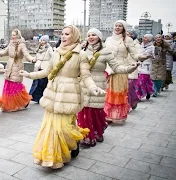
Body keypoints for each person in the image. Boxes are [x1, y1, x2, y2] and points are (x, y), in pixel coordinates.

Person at [19, 25, 105, 169]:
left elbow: (86, 76)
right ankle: (52, 156)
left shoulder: (81, 55)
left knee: (64, 128)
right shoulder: (56, 52)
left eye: (67, 34)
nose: (63, 37)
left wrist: (93, 88)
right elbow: (47, 71)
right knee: (51, 128)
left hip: (69, 94)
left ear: (75, 37)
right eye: (62, 34)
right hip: (53, 92)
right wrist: (29, 75)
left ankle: (74, 141)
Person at [78, 28, 138, 146]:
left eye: (93, 35)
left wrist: (129, 69)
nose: (90, 37)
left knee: (96, 111)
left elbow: (116, 67)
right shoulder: (83, 51)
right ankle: (86, 136)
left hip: (99, 83)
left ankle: (97, 131)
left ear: (99, 37)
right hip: (83, 84)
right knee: (83, 111)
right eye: (89, 35)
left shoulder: (106, 52)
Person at [104, 20, 148, 123]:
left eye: (120, 26)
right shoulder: (108, 39)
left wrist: (142, 57)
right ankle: (107, 115)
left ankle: (115, 115)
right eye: (116, 25)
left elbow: (134, 54)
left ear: (124, 28)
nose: (117, 27)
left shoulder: (128, 40)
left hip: (120, 70)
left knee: (117, 93)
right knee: (107, 93)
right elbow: (103, 52)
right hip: (108, 69)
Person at [0, 29, 34, 112]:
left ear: (18, 35)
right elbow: (4, 52)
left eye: (14, 35)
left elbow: (26, 54)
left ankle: (24, 99)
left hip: (17, 65)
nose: (12, 37)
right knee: (9, 86)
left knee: (16, 85)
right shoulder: (11, 43)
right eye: (12, 35)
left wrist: (32, 59)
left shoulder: (22, 45)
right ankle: (10, 104)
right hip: (9, 65)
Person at [29, 35, 53, 103]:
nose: (42, 42)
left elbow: (53, 56)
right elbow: (36, 56)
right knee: (35, 82)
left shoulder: (49, 48)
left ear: (46, 41)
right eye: (42, 40)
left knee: (42, 83)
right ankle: (34, 97)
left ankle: (43, 97)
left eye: (44, 40)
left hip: (44, 67)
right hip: (38, 66)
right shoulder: (39, 48)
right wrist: (34, 59)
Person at [135, 34, 155, 100]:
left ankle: (144, 93)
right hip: (140, 65)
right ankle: (140, 94)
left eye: (146, 38)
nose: (144, 38)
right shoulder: (141, 46)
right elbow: (138, 54)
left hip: (147, 65)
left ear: (149, 39)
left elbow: (152, 56)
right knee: (140, 81)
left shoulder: (152, 47)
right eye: (143, 37)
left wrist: (146, 56)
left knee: (143, 80)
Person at [126, 30, 141, 110]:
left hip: (132, 67)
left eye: (128, 34)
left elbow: (138, 56)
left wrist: (137, 64)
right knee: (125, 88)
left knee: (129, 87)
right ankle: (132, 101)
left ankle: (130, 103)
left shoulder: (136, 45)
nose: (126, 35)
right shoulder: (122, 43)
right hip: (123, 68)